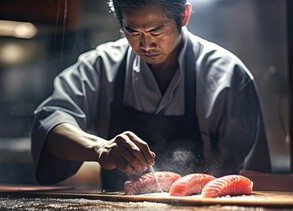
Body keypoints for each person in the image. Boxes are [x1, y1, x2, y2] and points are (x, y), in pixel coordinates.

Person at [31, 0, 271, 191]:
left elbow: (253, 178)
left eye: (156, 30)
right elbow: (50, 120)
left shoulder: (227, 76)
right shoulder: (103, 66)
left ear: (184, 16)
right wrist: (100, 148)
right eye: (132, 31)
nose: (145, 45)